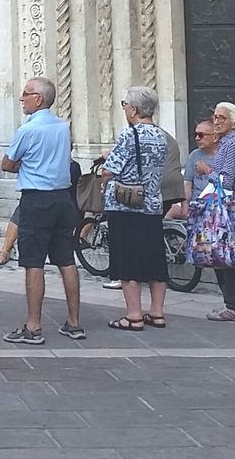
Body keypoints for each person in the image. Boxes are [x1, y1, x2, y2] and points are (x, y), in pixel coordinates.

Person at [0, 77, 84, 344]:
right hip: (63, 197)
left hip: (37, 198)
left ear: (38, 99)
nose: (22, 98)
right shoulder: (62, 127)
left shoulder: (28, 129)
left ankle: (33, 325)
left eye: (26, 94)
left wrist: (25, 164)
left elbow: (7, 163)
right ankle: (74, 322)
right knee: (66, 259)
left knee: (33, 262)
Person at [102, 86, 172, 331]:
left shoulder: (129, 134)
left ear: (133, 109)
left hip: (126, 205)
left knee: (127, 258)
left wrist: (104, 176)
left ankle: (133, 315)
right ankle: (157, 312)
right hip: (152, 203)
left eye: (125, 105)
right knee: (155, 258)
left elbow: (111, 169)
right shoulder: (161, 135)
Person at [202, 101, 235, 322]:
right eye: (214, 117)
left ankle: (233, 306)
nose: (216, 121)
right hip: (230, 207)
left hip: (228, 208)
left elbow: (227, 179)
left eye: (221, 117)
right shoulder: (230, 142)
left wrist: (208, 171)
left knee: (224, 257)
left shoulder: (232, 144)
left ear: (233, 122)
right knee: (224, 256)